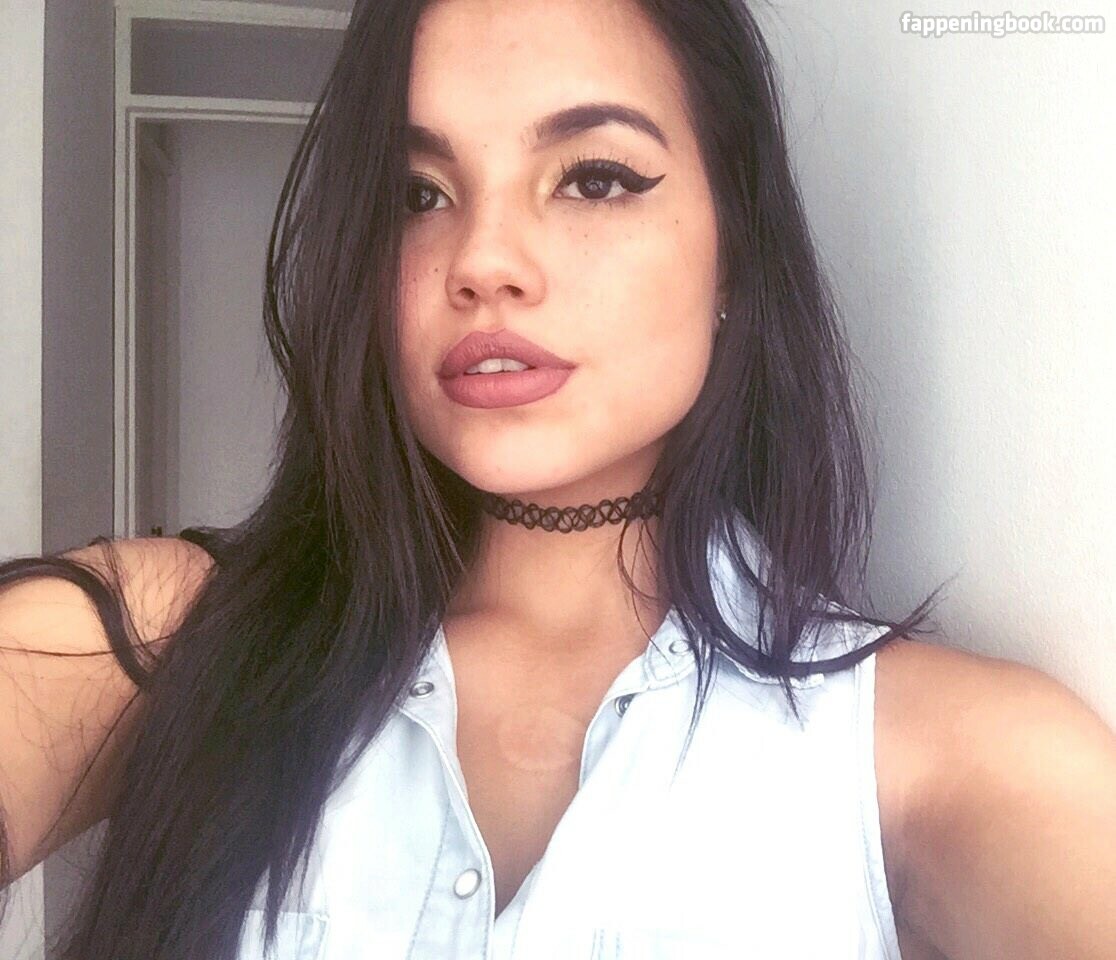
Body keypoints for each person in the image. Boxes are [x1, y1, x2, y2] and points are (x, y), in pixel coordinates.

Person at [2, 0, 1114, 957]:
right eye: (416, 194)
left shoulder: (941, 754)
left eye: (593, 178)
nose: (482, 260)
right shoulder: (172, 636)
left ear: (735, 251)